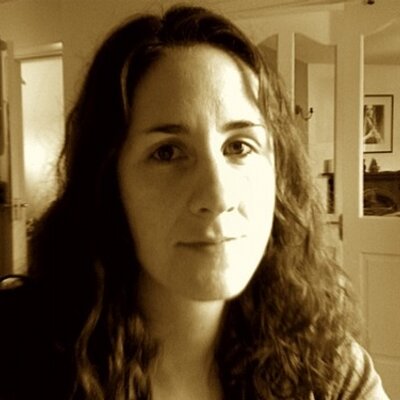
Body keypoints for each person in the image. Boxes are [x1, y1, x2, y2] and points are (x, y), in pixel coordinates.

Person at [0, 5, 389, 400]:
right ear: (108, 182)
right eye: (167, 152)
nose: (218, 196)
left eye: (239, 146)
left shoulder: (327, 367)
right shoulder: (16, 356)